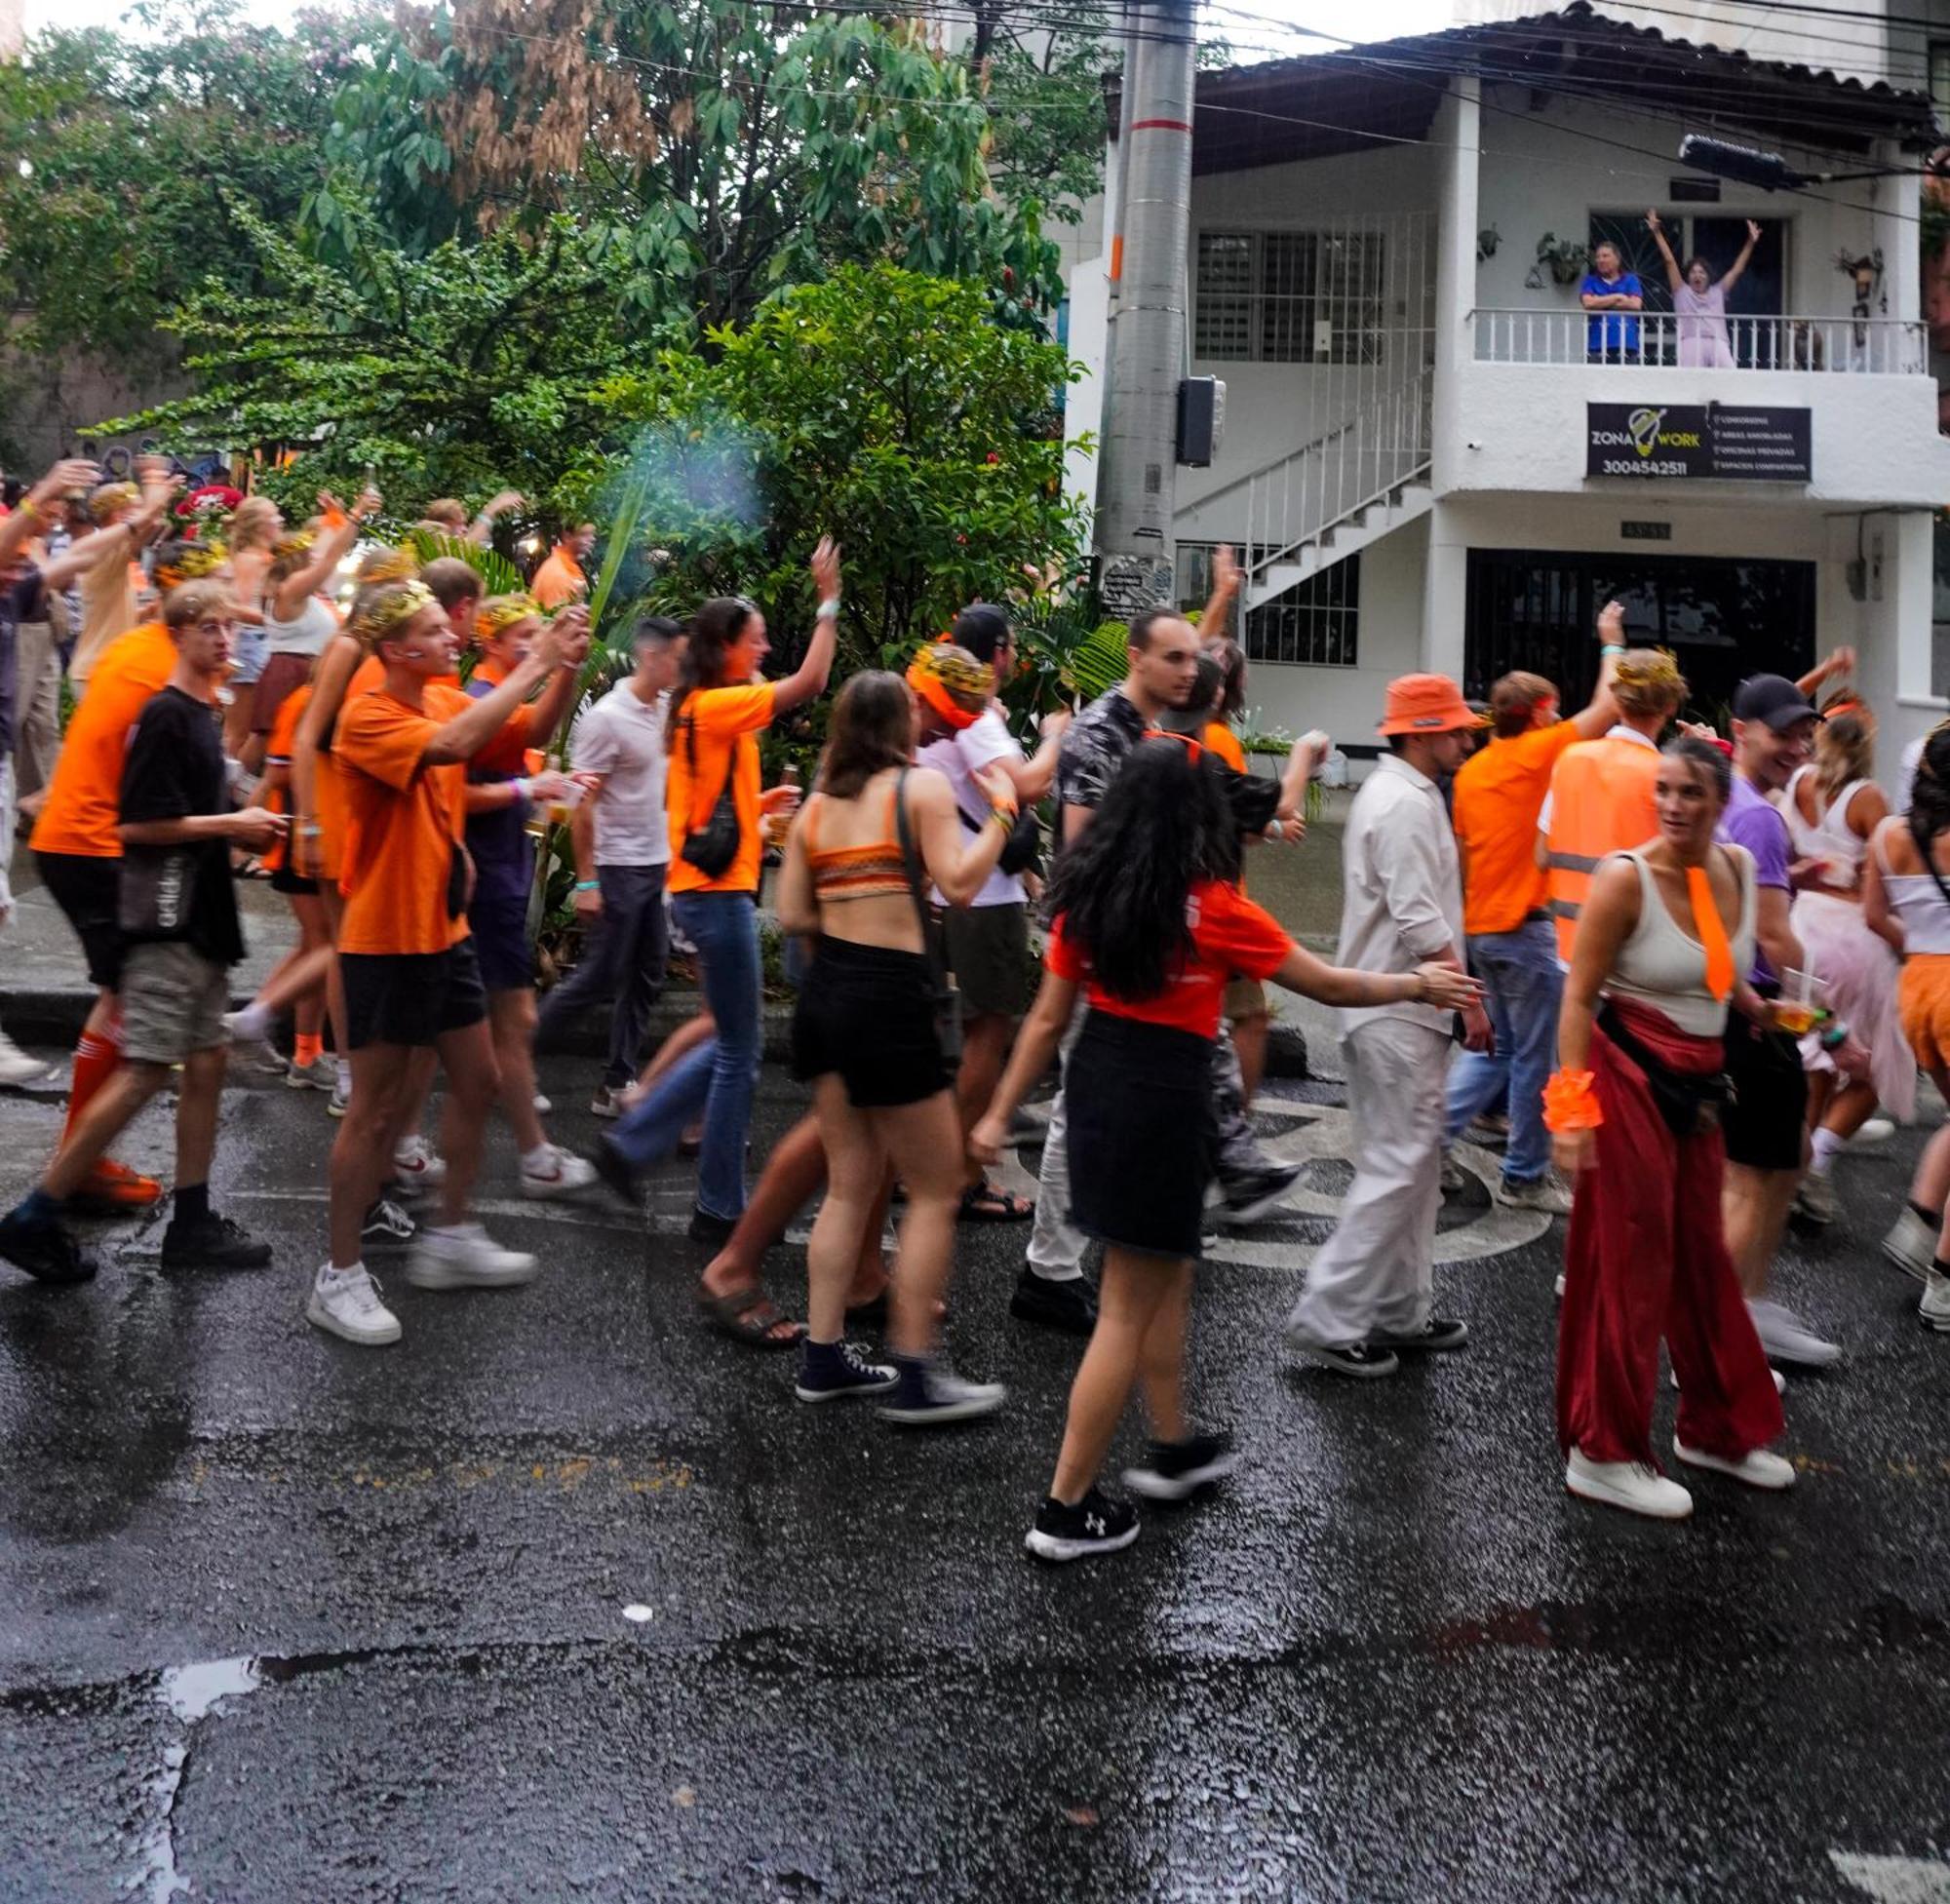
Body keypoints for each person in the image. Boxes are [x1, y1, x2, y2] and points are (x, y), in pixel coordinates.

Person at [973, 739, 1479, 1559]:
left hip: (1101, 1081)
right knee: (1128, 1303)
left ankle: (1172, 1447)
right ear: (1197, 816)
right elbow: (1329, 983)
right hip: (1167, 1099)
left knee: (1162, 1270)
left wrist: (998, 1114)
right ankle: (1064, 1507)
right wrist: (1418, 984)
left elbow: (1044, 1019)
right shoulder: (1214, 907)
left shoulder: (1088, 893)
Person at [306, 579, 589, 1347]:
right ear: (397, 649)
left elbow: (521, 727)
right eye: (435, 631)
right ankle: (338, 1276)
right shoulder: (368, 716)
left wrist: (562, 668)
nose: (451, 637)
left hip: (443, 932)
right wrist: (537, 660)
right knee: (372, 1111)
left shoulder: (433, 698)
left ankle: (451, 1236)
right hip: (385, 940)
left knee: (480, 1079)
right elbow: (460, 748)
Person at [1023, 566, 1303, 1337]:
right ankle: (1049, 1268)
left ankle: (1100, 1243)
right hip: (1103, 938)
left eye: (1195, 659)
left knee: (1139, 1082)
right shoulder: (1100, 735)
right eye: (1176, 658)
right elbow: (1082, 855)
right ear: (1138, 659)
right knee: (1078, 1103)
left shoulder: (1159, 732)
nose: (1193, 669)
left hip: (1145, 936)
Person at [0, 580, 286, 1284]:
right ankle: (34, 1214)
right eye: (210, 628)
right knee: (145, 1070)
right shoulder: (164, 711)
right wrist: (232, 825)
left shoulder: (199, 710)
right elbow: (139, 825)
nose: (226, 639)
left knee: (207, 1062)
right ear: (180, 633)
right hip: (168, 918)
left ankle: (191, 1220)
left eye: (230, 628)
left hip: (202, 922)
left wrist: (253, 810)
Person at [1552, 737, 1794, 1519]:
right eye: (1664, 789)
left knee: (1702, 1261)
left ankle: (1717, 1428)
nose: (1672, 804)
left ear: (1721, 801)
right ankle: (1602, 1452)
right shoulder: (1626, 879)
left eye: (1690, 791)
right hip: (1627, 1082)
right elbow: (1578, 1000)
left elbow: (1717, 969)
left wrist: (1759, 1011)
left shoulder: (1733, 869)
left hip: (1699, 1088)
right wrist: (1570, 1115)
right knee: (1631, 1265)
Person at [778, 663, 1019, 1419]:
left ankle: (823, 1357)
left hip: (828, 997)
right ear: (899, 725)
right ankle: (916, 1373)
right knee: (938, 1186)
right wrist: (1005, 816)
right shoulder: (920, 789)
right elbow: (960, 883)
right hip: (889, 997)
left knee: (849, 1184)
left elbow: (793, 914)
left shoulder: (815, 809)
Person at [590, 541, 841, 1236]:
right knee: (739, 1048)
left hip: (707, 885)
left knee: (733, 1039)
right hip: (716, 894)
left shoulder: (700, 706)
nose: (763, 648)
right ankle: (716, 1204)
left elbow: (698, 803)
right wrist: (828, 598)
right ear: (727, 647)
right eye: (756, 639)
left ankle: (638, 1145)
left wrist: (757, 807)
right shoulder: (718, 703)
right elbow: (812, 683)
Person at [1284, 674, 1494, 1379]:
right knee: (1401, 1163)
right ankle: (1330, 1312)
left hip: (1394, 1008)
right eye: (1457, 728)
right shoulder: (1405, 801)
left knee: (1411, 1163)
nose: (1468, 737)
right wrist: (1468, 999)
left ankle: (1401, 1308)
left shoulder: (1402, 792)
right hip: (1399, 1008)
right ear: (1423, 731)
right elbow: (1417, 916)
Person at [27, 535, 223, 1213]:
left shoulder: (145, 647)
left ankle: (79, 1161)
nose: (226, 618)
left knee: (118, 998)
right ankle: (73, 1169)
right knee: (127, 1006)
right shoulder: (158, 673)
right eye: (216, 603)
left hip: (82, 838)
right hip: (95, 844)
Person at [1442, 608, 1625, 1213]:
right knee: (1530, 1059)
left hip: (1482, 932)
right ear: (1542, 712)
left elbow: (1466, 856)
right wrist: (1610, 645)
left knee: (1493, 1050)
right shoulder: (1539, 754)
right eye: (1553, 707)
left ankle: (1430, 1140)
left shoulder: (1471, 772)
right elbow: (1608, 710)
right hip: (1525, 933)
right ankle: (1523, 1176)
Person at [915, 603, 1069, 1223]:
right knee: (989, 1034)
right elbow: (1023, 788)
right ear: (1001, 652)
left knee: (964, 1035)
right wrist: (1057, 737)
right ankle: (956, 1177)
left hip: (961, 890)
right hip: (982, 899)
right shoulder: (974, 719)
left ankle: (930, 1166)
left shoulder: (961, 707)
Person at [1717, 675, 1847, 1370]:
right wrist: (1829, 1024)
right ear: (1742, 730)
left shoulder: (1731, 802)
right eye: (1783, 733)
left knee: (1785, 1158)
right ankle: (1725, 1332)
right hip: (1759, 1017)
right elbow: (1773, 937)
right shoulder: (1760, 816)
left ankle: (1749, 1303)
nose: (1798, 746)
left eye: (1805, 733)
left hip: (1729, 1013)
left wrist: (1795, 876)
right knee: (1756, 1177)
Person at [457, 593, 598, 1199]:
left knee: (495, 1024)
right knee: (513, 1020)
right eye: (525, 637)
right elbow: (452, 792)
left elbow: (537, 727)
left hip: (500, 873)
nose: (532, 644)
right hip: (484, 876)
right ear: (491, 641)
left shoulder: (500, 696)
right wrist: (527, 789)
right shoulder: (474, 700)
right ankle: (536, 1156)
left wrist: (565, 665)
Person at [534, 614, 684, 1116]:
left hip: (655, 864)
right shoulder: (607, 716)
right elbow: (583, 804)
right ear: (652, 657)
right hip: (617, 867)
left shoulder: (666, 710)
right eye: (677, 658)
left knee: (647, 974)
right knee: (596, 978)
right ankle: (512, 1062)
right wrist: (588, 880)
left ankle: (616, 1083)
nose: (683, 667)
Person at [1782, 693, 1908, 1227]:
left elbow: (1789, 856)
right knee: (1876, 1065)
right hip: (1853, 937)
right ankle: (1816, 1160)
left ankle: (1792, 1172)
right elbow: (1889, 877)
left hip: (1801, 927)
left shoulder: (1796, 784)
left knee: (1812, 1057)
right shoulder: (1867, 798)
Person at [1864, 725, 1950, 1317]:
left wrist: (1922, 947)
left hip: (1915, 988)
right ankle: (1944, 1281)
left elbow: (1875, 916)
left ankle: (1921, 1220)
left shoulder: (1887, 835)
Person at [1540, 647, 1690, 967]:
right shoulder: (1665, 775)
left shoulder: (1569, 760)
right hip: (1635, 955)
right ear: (1671, 705)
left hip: (1569, 950)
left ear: (1617, 701)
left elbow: (1541, 856)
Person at [250, 490, 377, 758]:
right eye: (310, 553)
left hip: (305, 670)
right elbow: (331, 557)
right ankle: (234, 791)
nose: (315, 557)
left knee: (278, 747)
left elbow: (330, 549)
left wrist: (337, 517)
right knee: (270, 745)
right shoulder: (291, 588)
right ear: (298, 559)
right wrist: (358, 512)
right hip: (290, 672)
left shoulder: (305, 590)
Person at [67, 465, 176, 691]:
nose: (140, 514)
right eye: (135, 508)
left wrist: (146, 613)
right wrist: (154, 476)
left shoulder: (115, 551)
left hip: (107, 666)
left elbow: (109, 613)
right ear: (119, 515)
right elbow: (152, 523)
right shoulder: (106, 552)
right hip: (96, 670)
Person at [1644, 212, 1761, 369]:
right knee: (1690, 383)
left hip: (1717, 340)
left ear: (1708, 276)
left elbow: (1737, 270)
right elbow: (1669, 260)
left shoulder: (1718, 291)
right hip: (1691, 340)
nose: (1697, 275)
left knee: (1731, 379)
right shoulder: (1681, 291)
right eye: (1693, 272)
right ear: (1688, 276)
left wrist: (1751, 242)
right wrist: (1657, 232)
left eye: (1701, 272)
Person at [1580, 241, 1644, 364]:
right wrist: (1618, 296)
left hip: (1627, 345)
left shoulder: (1630, 279)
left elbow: (1635, 304)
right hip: (1597, 345)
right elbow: (1588, 304)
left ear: (1617, 260)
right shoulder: (1590, 280)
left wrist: (1600, 301)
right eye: (1598, 257)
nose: (1600, 260)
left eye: (1605, 256)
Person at [530, 524, 595, 608]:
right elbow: (555, 618)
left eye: (592, 534)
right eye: (584, 534)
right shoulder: (557, 573)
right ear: (567, 537)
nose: (592, 539)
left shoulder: (568, 565)